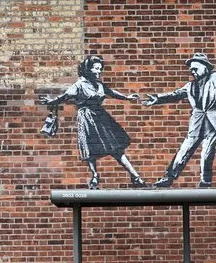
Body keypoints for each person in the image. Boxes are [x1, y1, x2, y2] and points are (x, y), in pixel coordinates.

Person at [142, 53, 216, 188]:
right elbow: (174, 95)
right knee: (184, 150)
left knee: (207, 153)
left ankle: (205, 181)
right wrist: (157, 98)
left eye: (195, 68)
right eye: (191, 70)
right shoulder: (190, 86)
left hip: (212, 122)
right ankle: (168, 178)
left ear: (205, 67)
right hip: (197, 122)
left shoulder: (215, 79)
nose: (193, 72)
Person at [39, 55, 146, 189]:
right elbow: (65, 96)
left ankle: (135, 176)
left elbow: (111, 92)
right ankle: (95, 176)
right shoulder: (79, 85)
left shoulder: (99, 84)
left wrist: (127, 97)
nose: (99, 72)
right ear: (88, 69)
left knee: (116, 149)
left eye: (100, 69)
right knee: (90, 149)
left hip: (101, 117)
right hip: (87, 118)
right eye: (96, 69)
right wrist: (52, 101)